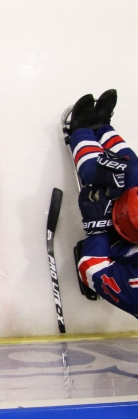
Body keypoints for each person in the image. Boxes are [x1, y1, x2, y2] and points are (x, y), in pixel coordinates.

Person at [64, 89, 138, 319]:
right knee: (133, 170)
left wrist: (98, 229)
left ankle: (81, 130)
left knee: (100, 179)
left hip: (117, 239)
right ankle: (102, 128)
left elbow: (93, 269)